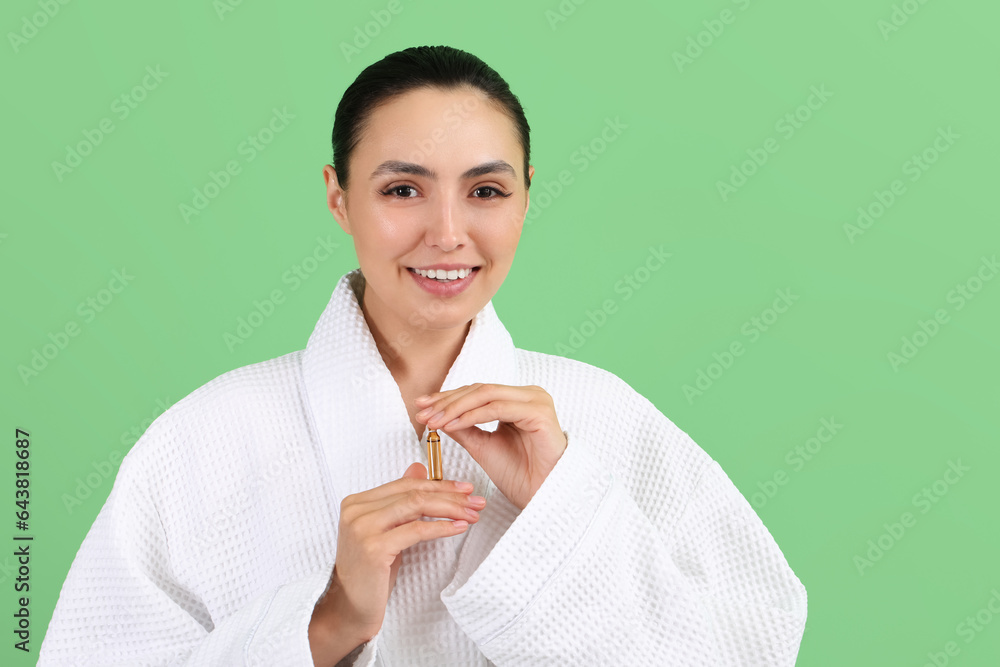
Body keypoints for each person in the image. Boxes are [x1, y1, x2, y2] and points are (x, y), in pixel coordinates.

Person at [39, 45, 808, 666]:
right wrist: (327, 620)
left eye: (486, 191)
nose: (447, 233)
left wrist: (566, 510)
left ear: (528, 196)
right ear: (338, 197)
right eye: (403, 190)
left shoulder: (602, 415)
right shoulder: (200, 439)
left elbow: (751, 644)